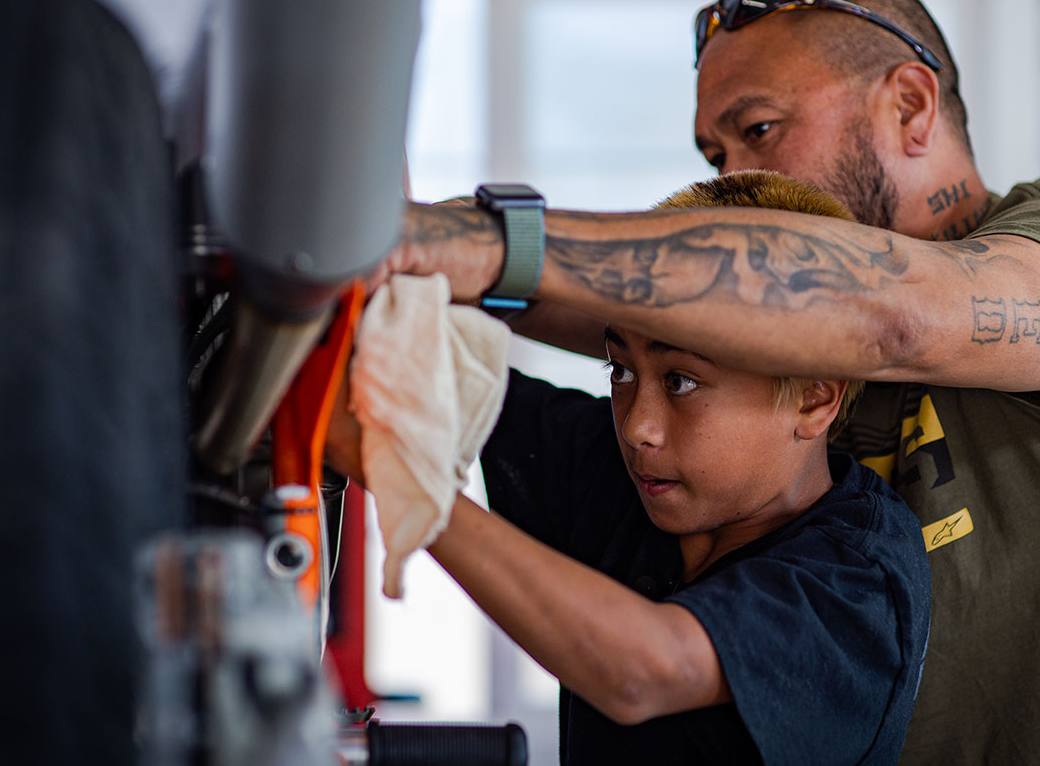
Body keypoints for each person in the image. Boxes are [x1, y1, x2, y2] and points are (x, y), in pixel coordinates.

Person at [383, 0, 1040, 762]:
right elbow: (639, 313)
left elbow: (892, 313)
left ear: (910, 106)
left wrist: (482, 241)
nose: (736, 177)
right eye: (715, 157)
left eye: (759, 130)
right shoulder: (781, 355)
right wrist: (395, 252)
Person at [335, 171, 933, 764]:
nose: (636, 426)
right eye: (620, 371)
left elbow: (642, 670)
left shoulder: (859, 578)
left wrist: (392, 465)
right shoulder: (615, 469)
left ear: (813, 398)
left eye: (681, 380)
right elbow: (416, 381)